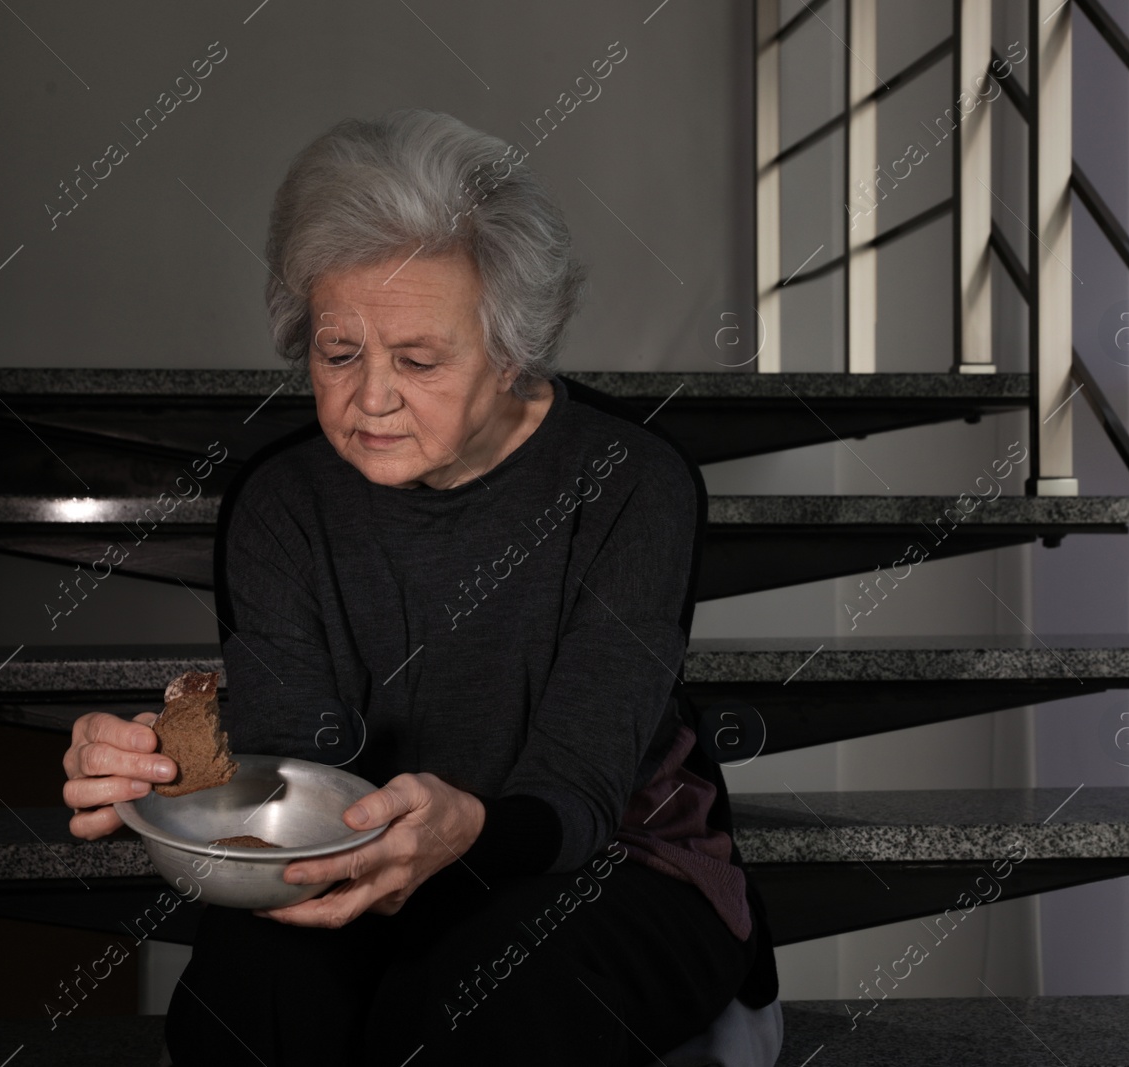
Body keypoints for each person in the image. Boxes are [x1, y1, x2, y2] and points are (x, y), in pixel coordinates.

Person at [61, 108, 776, 1066]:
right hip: (360, 843)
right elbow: (297, 756)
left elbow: (574, 791)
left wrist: (462, 829)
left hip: (603, 858)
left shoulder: (631, 484)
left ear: (511, 350)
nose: (371, 399)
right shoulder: (281, 502)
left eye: (419, 358)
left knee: (470, 1010)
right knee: (253, 1003)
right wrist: (165, 775)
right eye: (338, 352)